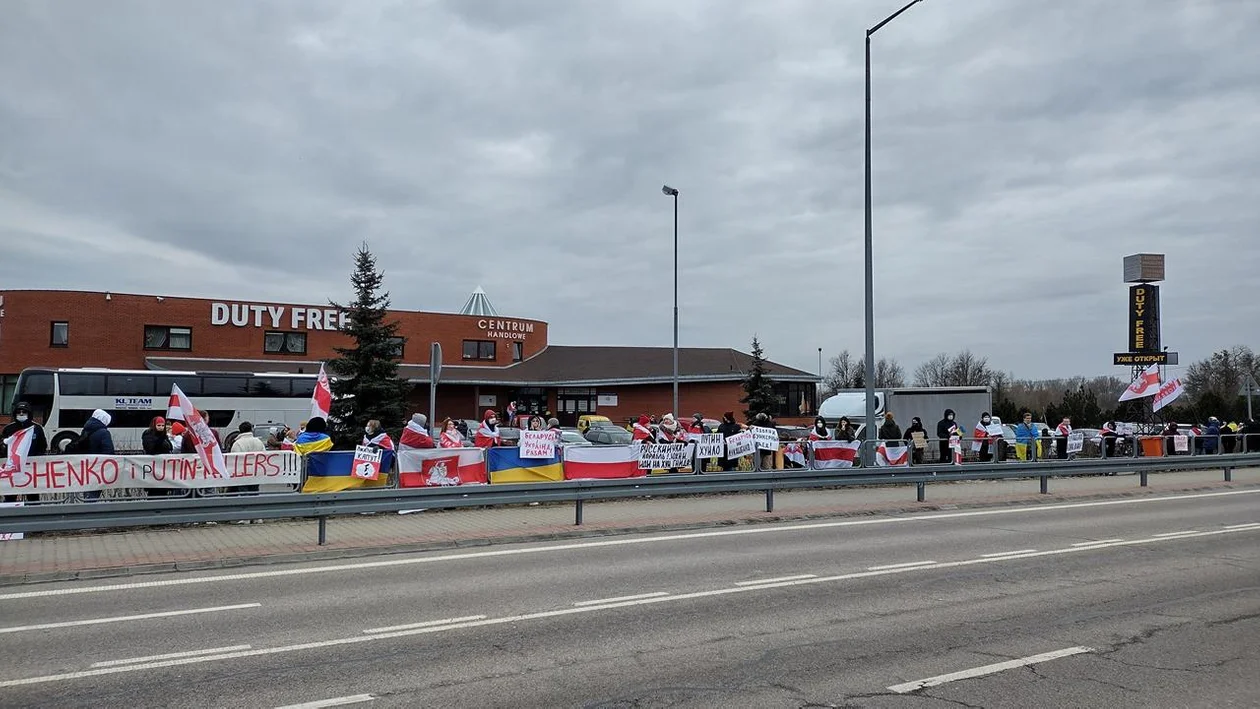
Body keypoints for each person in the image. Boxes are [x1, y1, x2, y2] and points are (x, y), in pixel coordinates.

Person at [2, 401, 48, 503]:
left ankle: (34, 516)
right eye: (19, 412)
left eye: (24, 412)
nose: (21, 414)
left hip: (30, 469)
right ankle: (10, 516)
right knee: (10, 495)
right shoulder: (9, 429)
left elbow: (42, 446)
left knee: (32, 496)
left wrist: (37, 460)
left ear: (29, 413)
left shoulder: (37, 428)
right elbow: (4, 448)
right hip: (13, 469)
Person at [79, 409, 115, 501]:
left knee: (88, 491)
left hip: (87, 467)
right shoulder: (104, 433)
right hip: (98, 468)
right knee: (94, 494)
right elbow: (109, 451)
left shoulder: (85, 430)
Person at [230, 421, 266, 503]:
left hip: (242, 473)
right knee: (254, 492)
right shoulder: (258, 441)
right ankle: (254, 509)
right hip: (256, 471)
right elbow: (264, 456)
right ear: (251, 430)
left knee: (243, 493)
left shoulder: (237, 443)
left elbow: (234, 459)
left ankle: (246, 510)